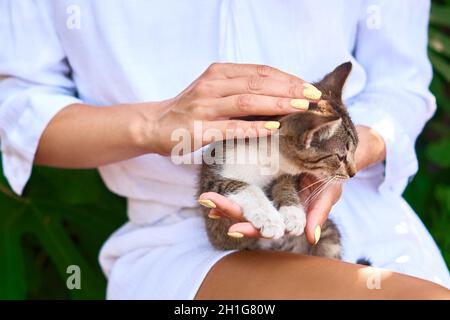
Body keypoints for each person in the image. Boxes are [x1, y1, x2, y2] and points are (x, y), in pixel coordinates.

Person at [0, 0, 448, 299]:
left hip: (361, 209)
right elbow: (19, 108)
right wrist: (152, 124)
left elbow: (400, 86)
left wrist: (349, 157)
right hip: (181, 233)